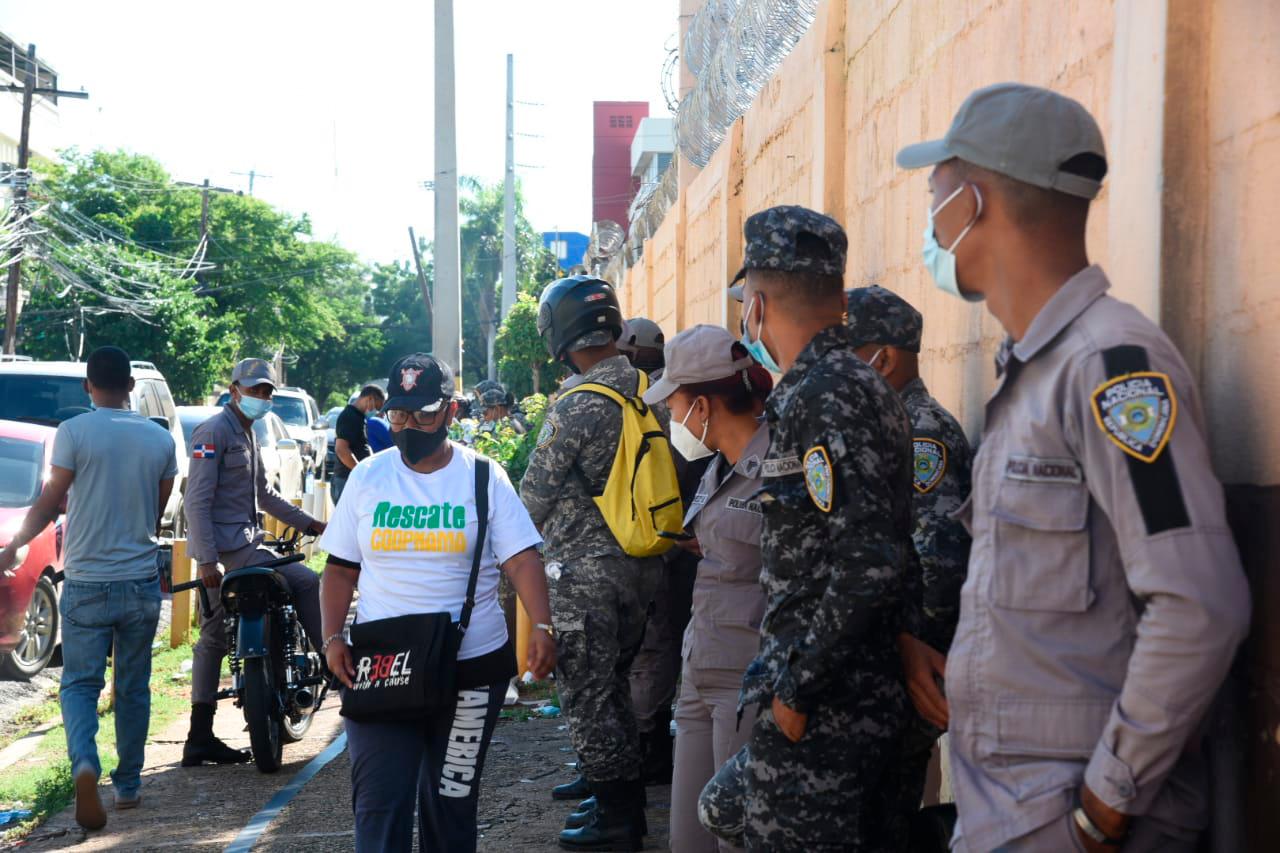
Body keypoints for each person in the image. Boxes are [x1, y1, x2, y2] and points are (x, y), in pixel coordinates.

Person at [895, 82, 1251, 852]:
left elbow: (1201, 601)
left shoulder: (1111, 367)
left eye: (937, 194)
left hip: (1071, 820)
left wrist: (1104, 804)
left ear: (973, 205)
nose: (930, 221)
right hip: (1011, 813)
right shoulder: (1033, 371)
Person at [697, 206, 917, 851]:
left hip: (828, 698)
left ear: (756, 305)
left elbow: (867, 557)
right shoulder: (849, 382)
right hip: (851, 683)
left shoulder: (822, 393)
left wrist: (798, 688)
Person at [319, 353, 556, 852]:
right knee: (380, 806)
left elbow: (521, 559)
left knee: (450, 805)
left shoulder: (483, 477)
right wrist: (332, 636)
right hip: (384, 667)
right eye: (398, 415)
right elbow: (340, 568)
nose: (408, 427)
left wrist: (543, 626)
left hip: (470, 672)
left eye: (423, 414)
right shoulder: (368, 478)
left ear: (450, 411)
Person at [0, 347, 176, 830]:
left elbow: (50, 502)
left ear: (87, 385)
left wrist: (16, 543)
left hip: (85, 582)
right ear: (132, 387)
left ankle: (85, 764)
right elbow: (156, 512)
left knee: (79, 684)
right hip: (139, 583)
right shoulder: (158, 439)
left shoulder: (73, 432)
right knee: (133, 686)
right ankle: (129, 786)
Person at [521, 275, 663, 850]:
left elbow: (533, 495)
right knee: (616, 689)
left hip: (584, 575)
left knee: (588, 694)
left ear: (562, 332)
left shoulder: (577, 403)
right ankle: (617, 800)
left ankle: (617, 818)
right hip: (642, 566)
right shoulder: (648, 385)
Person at [845, 284, 974, 836]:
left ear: (884, 358)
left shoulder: (920, 432)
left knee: (891, 815)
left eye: (846, 358)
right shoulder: (885, 424)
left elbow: (938, 559)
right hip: (890, 653)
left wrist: (910, 659)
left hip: (912, 658)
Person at [639, 326, 772, 853]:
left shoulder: (781, 467)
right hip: (699, 669)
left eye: (672, 403)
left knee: (738, 838)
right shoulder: (717, 464)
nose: (670, 416)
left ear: (703, 403)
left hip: (749, 676)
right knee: (688, 839)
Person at [182, 358, 327, 766]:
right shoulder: (213, 431)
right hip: (229, 554)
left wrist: (311, 522)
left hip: (239, 547)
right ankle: (332, 661)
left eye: (266, 392)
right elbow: (196, 500)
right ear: (234, 391)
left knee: (212, 638)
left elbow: (265, 495)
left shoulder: (249, 432)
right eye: (254, 390)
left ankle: (199, 736)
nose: (261, 398)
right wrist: (208, 560)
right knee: (304, 581)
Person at [333, 384, 387, 502]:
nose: (375, 411)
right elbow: (341, 450)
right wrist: (360, 470)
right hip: (346, 479)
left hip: (353, 478)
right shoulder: (349, 417)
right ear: (370, 398)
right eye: (376, 407)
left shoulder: (359, 417)